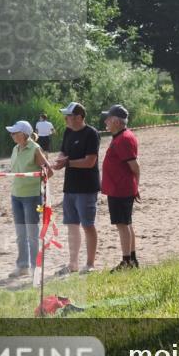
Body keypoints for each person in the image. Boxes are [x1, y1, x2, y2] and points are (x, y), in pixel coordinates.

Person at [51, 102, 100, 274]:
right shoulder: (68, 131)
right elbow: (63, 152)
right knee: (71, 225)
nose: (65, 119)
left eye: (69, 116)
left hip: (87, 187)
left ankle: (90, 264)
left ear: (79, 117)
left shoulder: (91, 133)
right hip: (70, 187)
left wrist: (67, 162)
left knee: (88, 225)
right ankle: (73, 263)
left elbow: (90, 161)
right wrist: (58, 162)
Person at [6, 120, 52, 279]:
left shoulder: (35, 148)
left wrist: (39, 182)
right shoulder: (15, 148)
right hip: (16, 195)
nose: (11, 135)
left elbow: (48, 171)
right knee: (20, 233)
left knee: (32, 234)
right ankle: (23, 266)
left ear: (23, 134)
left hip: (32, 197)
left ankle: (35, 268)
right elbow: (14, 169)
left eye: (14, 132)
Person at [101, 105, 141, 272]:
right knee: (126, 223)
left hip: (121, 189)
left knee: (122, 225)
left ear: (117, 121)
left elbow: (135, 166)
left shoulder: (123, 139)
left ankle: (126, 261)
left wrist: (135, 186)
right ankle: (131, 259)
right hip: (121, 188)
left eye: (108, 119)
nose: (106, 122)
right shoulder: (121, 136)